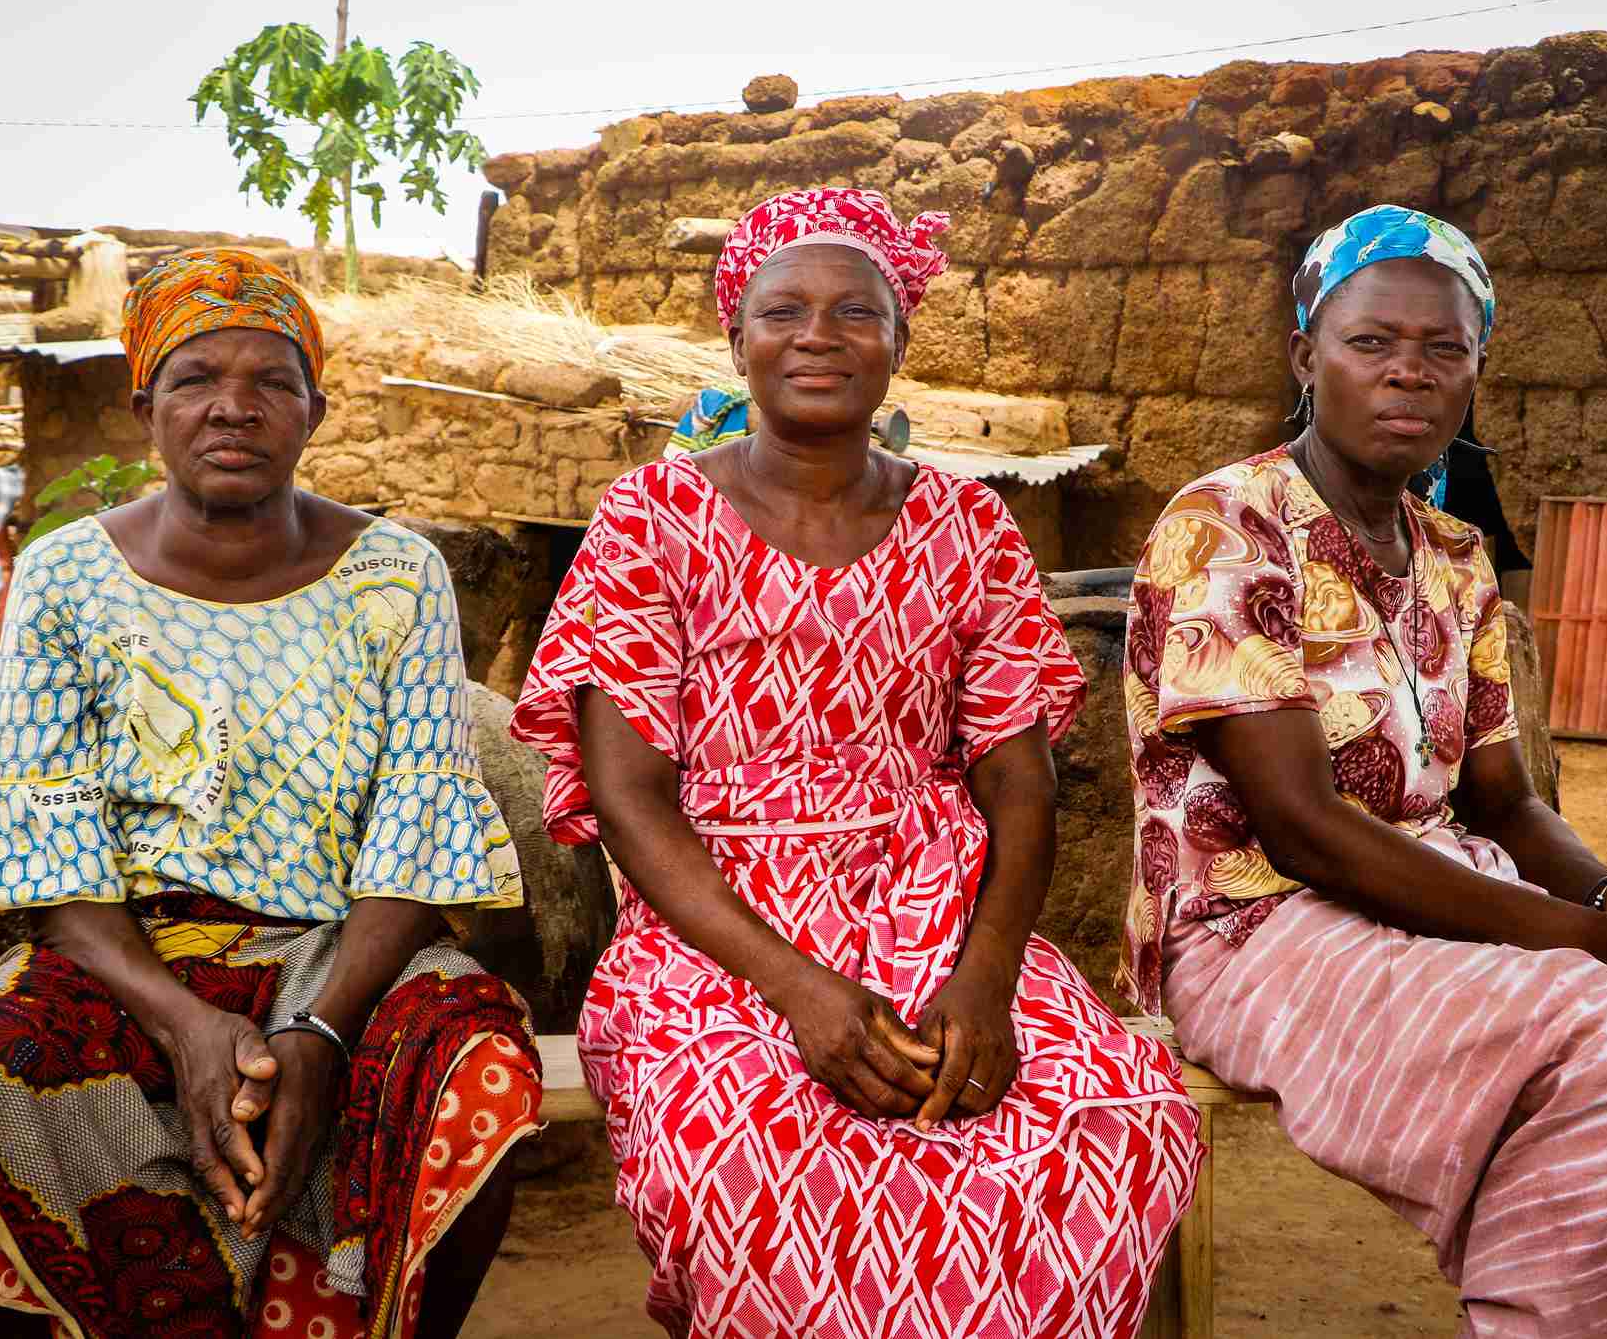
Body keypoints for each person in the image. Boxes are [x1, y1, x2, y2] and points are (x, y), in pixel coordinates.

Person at [1122, 203, 1607, 1336]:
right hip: (1255, 928)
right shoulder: (1226, 527)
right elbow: (1300, 830)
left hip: (1447, 894)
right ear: (1303, 358)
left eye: (1441, 349)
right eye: (1369, 342)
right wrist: (1590, 943)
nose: (1405, 374)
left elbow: (1505, 801)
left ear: (1475, 370)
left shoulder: (1455, 557)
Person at [511, 188, 1202, 1338]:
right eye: (783, 310)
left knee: (1107, 1117)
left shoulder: (968, 528)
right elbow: (630, 804)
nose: (817, 335)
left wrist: (984, 981)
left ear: (898, 341)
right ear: (736, 340)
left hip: (934, 906)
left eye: (854, 311)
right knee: (751, 1160)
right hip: (716, 933)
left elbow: (1017, 782)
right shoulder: (649, 520)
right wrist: (799, 990)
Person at [0, 249, 541, 1339]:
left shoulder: (394, 576)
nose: (232, 407)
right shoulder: (67, 575)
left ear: (315, 411)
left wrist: (321, 1033)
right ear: (144, 405)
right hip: (126, 951)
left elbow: (419, 825)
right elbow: (43, 842)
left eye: (271, 382)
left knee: (473, 1053)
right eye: (197, 378)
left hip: (346, 947)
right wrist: (188, 1023)